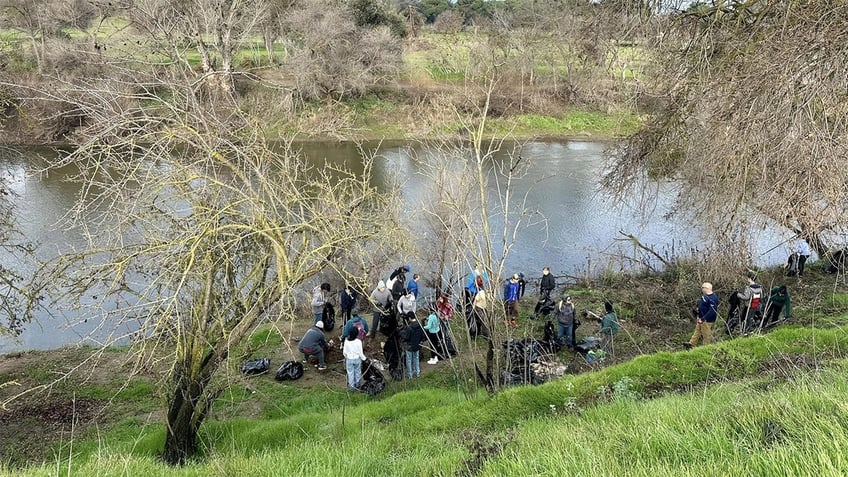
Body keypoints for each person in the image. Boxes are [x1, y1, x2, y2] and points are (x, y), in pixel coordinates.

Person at [684, 282, 719, 349]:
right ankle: (691, 344)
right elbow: (703, 305)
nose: (702, 289)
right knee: (697, 331)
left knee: (706, 334)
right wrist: (698, 310)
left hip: (707, 320)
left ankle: (706, 347)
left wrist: (703, 319)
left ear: (707, 288)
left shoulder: (713, 298)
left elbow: (712, 311)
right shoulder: (705, 296)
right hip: (700, 317)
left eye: (703, 288)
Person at [399, 313, 424, 379]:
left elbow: (406, 337)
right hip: (417, 345)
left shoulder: (409, 327)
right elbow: (422, 336)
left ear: (409, 318)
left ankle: (410, 375)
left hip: (409, 346)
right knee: (416, 358)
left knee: (409, 360)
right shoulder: (420, 325)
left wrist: (401, 332)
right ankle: (417, 372)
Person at [343, 326, 367, 391]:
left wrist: (347, 357)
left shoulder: (346, 341)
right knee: (358, 372)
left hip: (349, 360)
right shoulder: (358, 341)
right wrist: (365, 359)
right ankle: (358, 385)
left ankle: (351, 388)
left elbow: (344, 352)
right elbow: (360, 353)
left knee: (350, 373)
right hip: (357, 359)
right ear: (356, 333)